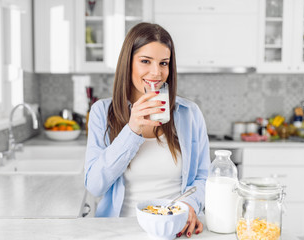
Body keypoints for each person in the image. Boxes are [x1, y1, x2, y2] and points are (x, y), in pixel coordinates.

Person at [84, 22, 210, 238]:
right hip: (121, 231)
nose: (156, 73)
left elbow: (203, 176)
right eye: (145, 61)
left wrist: (191, 205)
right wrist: (132, 130)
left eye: (164, 63)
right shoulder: (101, 113)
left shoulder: (189, 113)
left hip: (175, 230)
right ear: (128, 63)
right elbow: (95, 186)